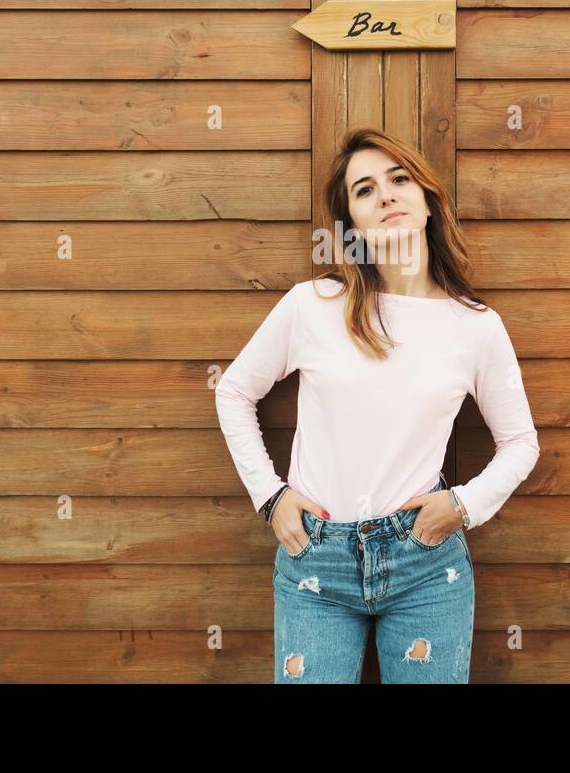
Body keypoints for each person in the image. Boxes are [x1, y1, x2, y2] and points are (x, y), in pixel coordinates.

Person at [214, 126, 540, 683]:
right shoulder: (314, 305)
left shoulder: (476, 327)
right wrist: (271, 497)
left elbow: (520, 442)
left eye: (398, 179)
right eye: (364, 190)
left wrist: (462, 505)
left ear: (427, 202)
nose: (385, 195)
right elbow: (234, 390)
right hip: (315, 558)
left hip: (424, 561)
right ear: (352, 225)